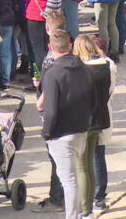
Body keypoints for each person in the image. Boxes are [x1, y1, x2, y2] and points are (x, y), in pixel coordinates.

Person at [38, 30, 94, 219]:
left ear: (50, 48)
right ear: (69, 46)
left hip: (61, 135)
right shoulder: (84, 68)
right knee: (74, 179)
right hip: (81, 131)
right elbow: (93, 100)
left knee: (69, 182)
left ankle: (74, 216)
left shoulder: (53, 74)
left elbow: (50, 110)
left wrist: (46, 132)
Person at [71, 34, 114, 216]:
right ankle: (93, 202)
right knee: (92, 163)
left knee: (82, 167)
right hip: (100, 120)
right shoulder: (106, 67)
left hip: (83, 123)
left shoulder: (80, 70)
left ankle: (85, 208)